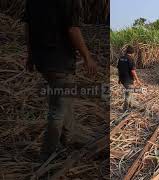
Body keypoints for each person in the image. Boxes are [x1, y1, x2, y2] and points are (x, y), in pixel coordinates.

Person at [23, 0, 97, 161]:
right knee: (58, 110)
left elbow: (28, 28)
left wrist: (30, 55)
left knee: (65, 101)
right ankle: (46, 155)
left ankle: (69, 138)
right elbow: (73, 29)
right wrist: (87, 57)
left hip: (42, 61)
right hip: (59, 62)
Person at [117, 45, 142, 111]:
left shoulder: (121, 58)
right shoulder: (130, 59)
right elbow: (133, 71)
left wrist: (119, 79)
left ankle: (132, 105)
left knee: (130, 92)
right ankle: (125, 109)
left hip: (122, 79)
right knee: (128, 93)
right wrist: (137, 80)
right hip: (128, 79)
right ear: (132, 52)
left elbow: (119, 69)